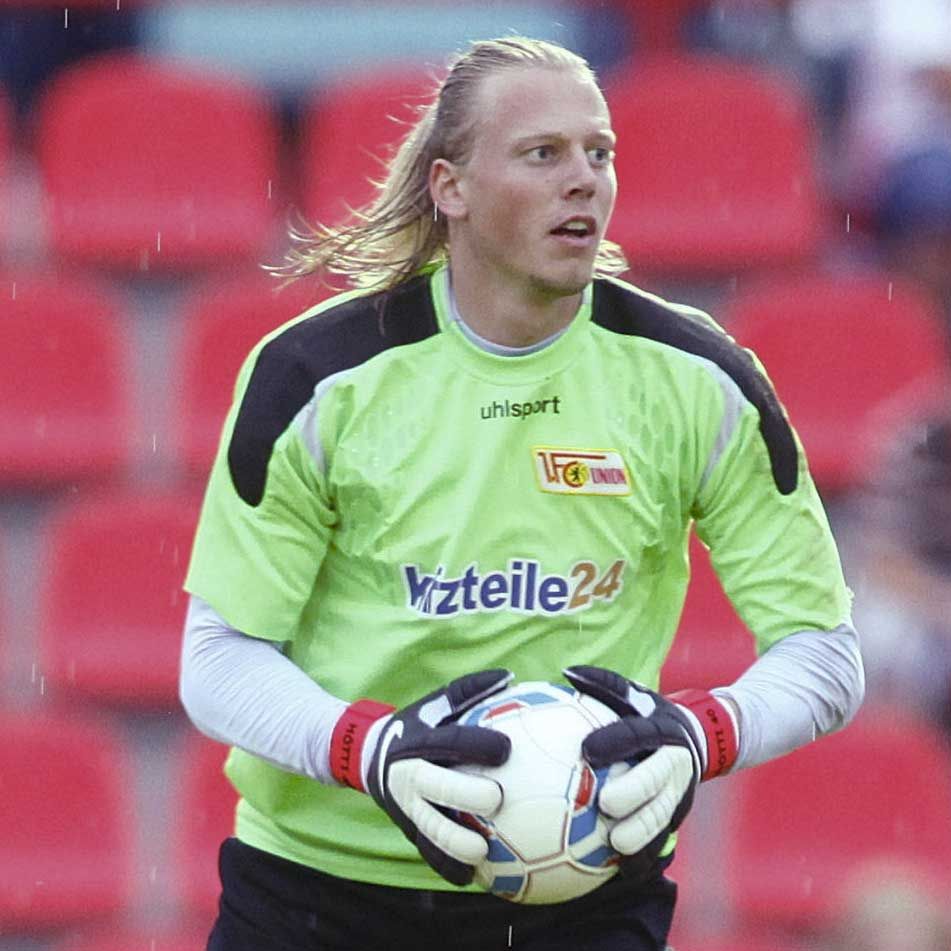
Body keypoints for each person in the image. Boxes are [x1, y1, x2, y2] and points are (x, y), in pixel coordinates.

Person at [179, 36, 864, 951]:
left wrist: (704, 734)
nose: (582, 179)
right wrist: (372, 750)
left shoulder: (700, 379)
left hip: (584, 905)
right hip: (318, 895)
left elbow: (823, 652)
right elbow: (218, 661)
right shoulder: (315, 376)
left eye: (599, 152)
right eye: (543, 154)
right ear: (450, 187)